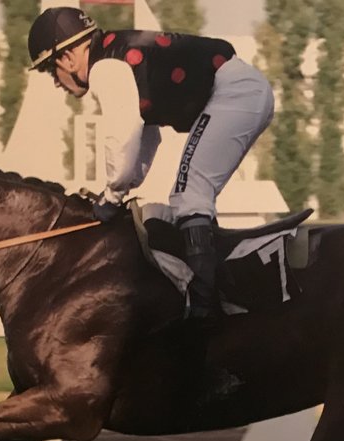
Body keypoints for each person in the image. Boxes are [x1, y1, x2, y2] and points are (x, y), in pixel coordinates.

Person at [27, 7, 275, 318]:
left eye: (51, 70)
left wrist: (112, 196)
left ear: (67, 58)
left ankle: (205, 306)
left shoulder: (105, 67)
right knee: (189, 195)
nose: (56, 82)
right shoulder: (117, 55)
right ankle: (213, 287)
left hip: (235, 93)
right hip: (242, 90)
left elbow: (122, 136)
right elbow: (146, 140)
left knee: (189, 194)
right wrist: (123, 188)